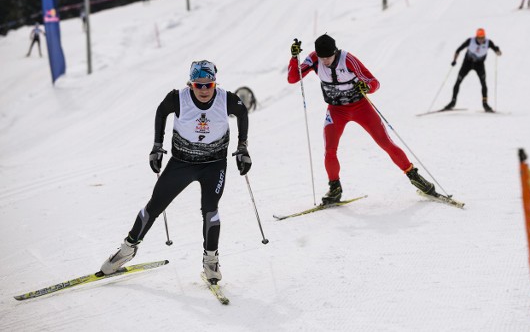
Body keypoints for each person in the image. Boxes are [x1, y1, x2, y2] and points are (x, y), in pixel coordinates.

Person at [100, 60, 251, 283]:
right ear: (190, 84)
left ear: (215, 84)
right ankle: (127, 249)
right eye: (198, 85)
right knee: (155, 205)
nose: (203, 90)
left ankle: (211, 261)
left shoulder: (226, 99)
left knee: (210, 209)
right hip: (182, 162)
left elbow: (243, 113)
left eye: (208, 85)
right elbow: (161, 113)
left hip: (214, 164)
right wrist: (157, 146)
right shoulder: (177, 98)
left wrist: (242, 147)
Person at [287, 34, 442, 205]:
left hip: (360, 108)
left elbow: (374, 82)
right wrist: (294, 58)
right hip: (336, 111)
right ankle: (335, 188)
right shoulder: (314, 59)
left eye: (328, 57)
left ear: (335, 52)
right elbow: (293, 78)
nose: (325, 61)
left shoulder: (348, 60)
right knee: (330, 150)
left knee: (385, 143)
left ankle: (415, 177)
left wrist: (366, 87)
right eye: (322, 57)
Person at [443, 28, 503, 113]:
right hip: (467, 63)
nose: (481, 40)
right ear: (476, 36)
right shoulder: (470, 41)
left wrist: (497, 50)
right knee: (458, 82)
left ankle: (485, 104)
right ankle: (452, 102)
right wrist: (454, 60)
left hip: (479, 64)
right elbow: (458, 50)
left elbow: (499, 54)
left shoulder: (488, 42)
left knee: (483, 83)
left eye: (482, 37)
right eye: (479, 38)